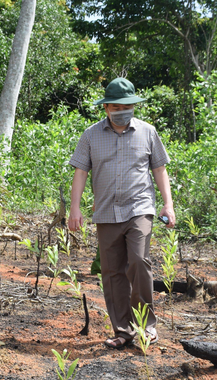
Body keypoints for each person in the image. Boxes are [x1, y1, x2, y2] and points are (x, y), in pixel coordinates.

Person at [67, 77, 176, 349]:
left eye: (126, 106)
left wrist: (168, 204)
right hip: (106, 212)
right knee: (112, 271)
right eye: (116, 107)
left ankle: (146, 328)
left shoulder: (148, 132)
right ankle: (123, 331)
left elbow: (159, 169)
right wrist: (75, 208)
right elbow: (81, 172)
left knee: (139, 262)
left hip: (139, 208)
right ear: (106, 108)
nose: (121, 111)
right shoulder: (91, 135)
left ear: (134, 107)